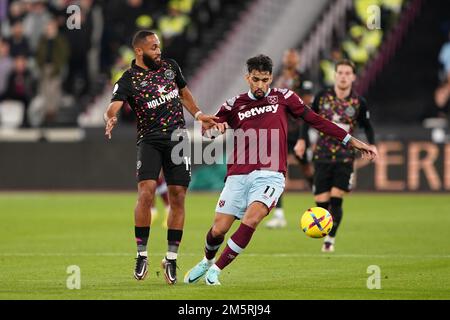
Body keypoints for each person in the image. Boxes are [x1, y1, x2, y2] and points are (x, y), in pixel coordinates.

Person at [184, 55, 377, 285]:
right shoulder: (233, 104)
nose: (260, 85)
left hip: (270, 174)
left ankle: (216, 269)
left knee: (252, 219)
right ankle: (206, 260)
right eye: (255, 79)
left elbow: (317, 120)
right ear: (247, 78)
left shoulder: (284, 98)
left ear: (271, 78)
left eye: (265, 80)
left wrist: (351, 140)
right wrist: (214, 129)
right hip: (237, 174)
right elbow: (210, 131)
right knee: (218, 229)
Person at [103, 30, 217, 284]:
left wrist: (199, 116)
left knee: (178, 196)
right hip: (149, 140)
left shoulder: (170, 68)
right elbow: (114, 105)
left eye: (159, 46)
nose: (159, 51)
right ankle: (141, 254)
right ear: (140, 51)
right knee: (147, 192)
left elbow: (184, 94)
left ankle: (171, 258)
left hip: (177, 138)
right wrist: (110, 116)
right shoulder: (129, 79)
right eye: (154, 47)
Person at [296, 59, 377, 253]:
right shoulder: (322, 97)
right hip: (322, 154)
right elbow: (307, 120)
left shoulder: (358, 102)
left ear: (353, 77)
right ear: (335, 75)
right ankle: (324, 229)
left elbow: (367, 126)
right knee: (321, 202)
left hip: (345, 157)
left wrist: (372, 144)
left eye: (347, 73)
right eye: (340, 72)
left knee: (336, 198)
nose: (343, 76)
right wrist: (302, 140)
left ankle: (330, 239)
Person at [265, 48, 314, 229]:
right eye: (287, 56)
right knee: (277, 171)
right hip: (280, 129)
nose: (289, 59)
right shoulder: (277, 76)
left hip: (298, 129)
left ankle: (322, 205)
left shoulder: (303, 76)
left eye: (292, 57)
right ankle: (279, 215)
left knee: (306, 167)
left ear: (298, 60)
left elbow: (307, 102)